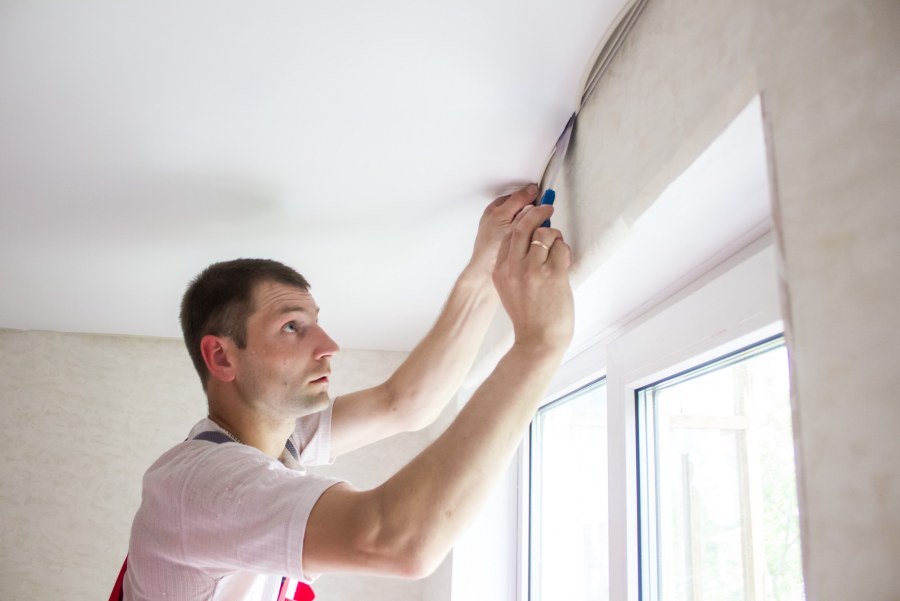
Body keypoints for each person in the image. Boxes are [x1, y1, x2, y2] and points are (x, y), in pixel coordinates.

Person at [123, 184, 574, 600]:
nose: (329, 346)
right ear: (222, 357)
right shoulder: (203, 485)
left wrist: (485, 269)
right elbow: (397, 540)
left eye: (315, 322)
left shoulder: (275, 438)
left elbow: (405, 403)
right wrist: (539, 345)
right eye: (292, 326)